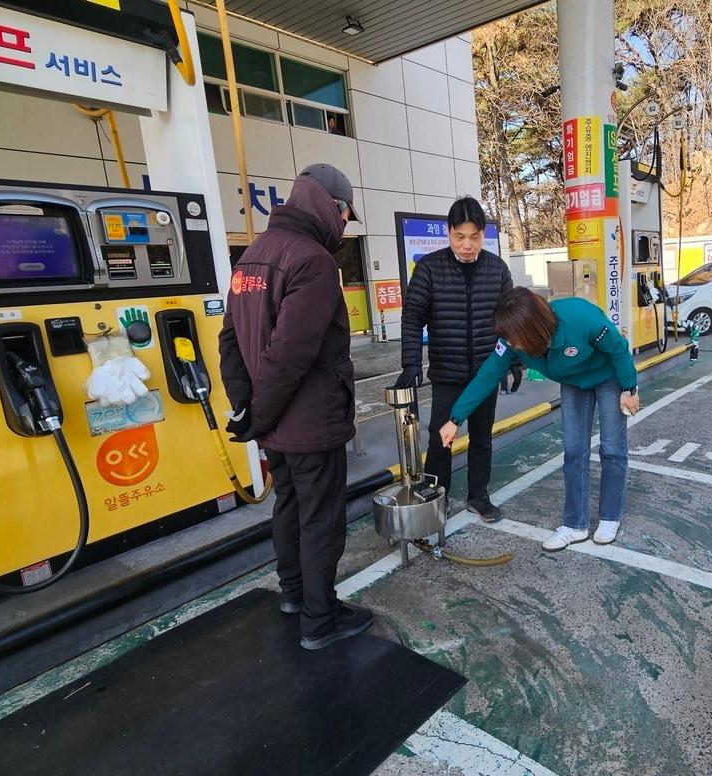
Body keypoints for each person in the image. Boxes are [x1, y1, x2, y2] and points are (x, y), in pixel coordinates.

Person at [218, 163, 373, 651]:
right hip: (310, 422)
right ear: (331, 205)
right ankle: (320, 618)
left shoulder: (251, 258)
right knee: (320, 518)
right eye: (346, 215)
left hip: (274, 425)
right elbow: (290, 353)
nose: (346, 226)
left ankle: (293, 597)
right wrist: (260, 411)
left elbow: (229, 341)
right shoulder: (313, 261)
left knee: (287, 506)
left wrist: (247, 408)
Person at [439, 288, 639, 551]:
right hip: (573, 382)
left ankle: (609, 517)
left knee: (612, 449)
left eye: (514, 338)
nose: (510, 344)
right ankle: (575, 525)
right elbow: (487, 376)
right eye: (507, 338)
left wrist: (629, 389)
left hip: (609, 377)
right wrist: (455, 419)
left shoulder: (581, 318)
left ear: (535, 328)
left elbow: (618, 349)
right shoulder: (513, 344)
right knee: (574, 451)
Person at [398, 198, 513, 522]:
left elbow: (511, 318)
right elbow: (412, 318)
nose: (467, 245)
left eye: (474, 237)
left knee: (481, 438)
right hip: (447, 373)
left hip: (485, 373)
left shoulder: (496, 269)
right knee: (440, 438)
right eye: (460, 236)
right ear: (448, 233)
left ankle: (479, 496)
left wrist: (513, 363)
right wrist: (411, 363)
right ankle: (438, 495)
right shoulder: (430, 269)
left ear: (483, 234)